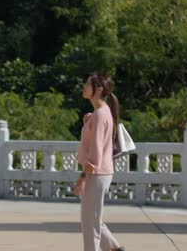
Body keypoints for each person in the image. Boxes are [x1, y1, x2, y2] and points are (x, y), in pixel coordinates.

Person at [73, 73, 125, 251]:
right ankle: (115, 248)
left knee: (90, 225)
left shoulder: (100, 115)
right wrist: (87, 123)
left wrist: (82, 178)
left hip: (96, 174)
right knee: (93, 219)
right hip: (101, 173)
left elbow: (95, 155)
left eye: (88, 84)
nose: (84, 86)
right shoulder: (101, 113)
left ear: (99, 89)